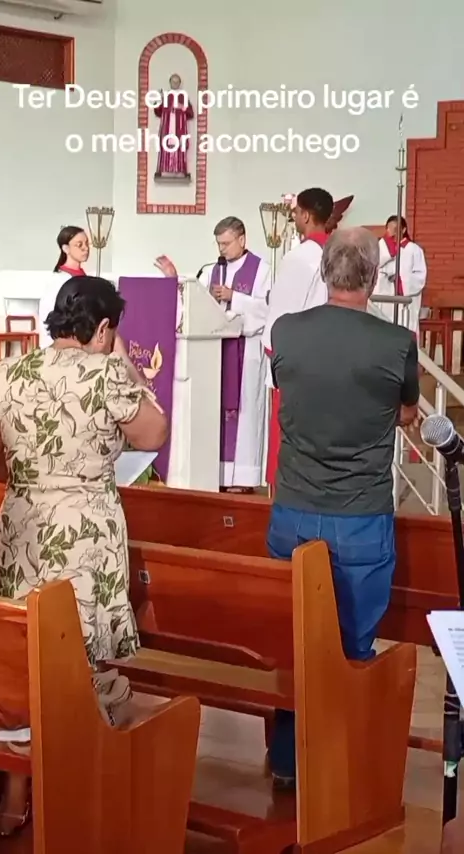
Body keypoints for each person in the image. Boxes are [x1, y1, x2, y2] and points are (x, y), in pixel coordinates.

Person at [0, 275, 168, 834]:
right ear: (104, 327)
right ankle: (80, 795)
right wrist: (125, 363)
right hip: (86, 531)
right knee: (83, 658)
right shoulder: (106, 373)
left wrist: (32, 478)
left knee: (24, 660)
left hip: (23, 525)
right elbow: (153, 434)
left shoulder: (5, 373)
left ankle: (16, 795)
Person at [267, 227, 420, 787]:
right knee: (353, 644)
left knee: (296, 638)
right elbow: (407, 411)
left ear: (325, 271)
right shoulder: (396, 343)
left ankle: (288, 761)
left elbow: (287, 387)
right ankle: (337, 769)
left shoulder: (287, 331)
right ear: (374, 277)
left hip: (293, 509)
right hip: (360, 514)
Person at [155, 216, 270, 492]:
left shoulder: (261, 269)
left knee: (244, 416)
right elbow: (194, 302)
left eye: (227, 243)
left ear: (242, 239)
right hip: (214, 353)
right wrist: (173, 278)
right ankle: (214, 474)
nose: (222, 249)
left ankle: (242, 479)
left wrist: (234, 297)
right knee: (214, 413)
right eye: (219, 244)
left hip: (245, 352)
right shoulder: (210, 271)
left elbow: (267, 309)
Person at [262, 187, 335, 489]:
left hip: (294, 362)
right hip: (326, 356)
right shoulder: (336, 253)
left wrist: (271, 353)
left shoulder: (299, 258)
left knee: (286, 445)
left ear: (305, 215)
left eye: (295, 213)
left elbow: (281, 315)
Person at [38, 226, 90, 347]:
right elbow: (50, 315)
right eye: (79, 245)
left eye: (87, 243)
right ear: (66, 248)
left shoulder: (84, 277)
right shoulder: (59, 280)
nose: (86, 248)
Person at [375, 215, 427, 334]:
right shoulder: (383, 249)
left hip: (404, 303)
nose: (392, 233)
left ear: (403, 230)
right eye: (389, 229)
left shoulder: (414, 250)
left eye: (395, 229)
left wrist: (400, 280)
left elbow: (420, 277)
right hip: (385, 299)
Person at [154, 73, 194, 179]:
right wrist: (158, 100)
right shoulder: (165, 96)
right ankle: (163, 169)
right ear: (170, 83)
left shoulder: (183, 97)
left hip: (179, 128)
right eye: (173, 82)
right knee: (165, 146)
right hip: (167, 127)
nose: (175, 84)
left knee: (180, 146)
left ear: (179, 83)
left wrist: (183, 107)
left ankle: (180, 169)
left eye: (177, 82)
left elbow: (191, 113)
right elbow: (158, 111)